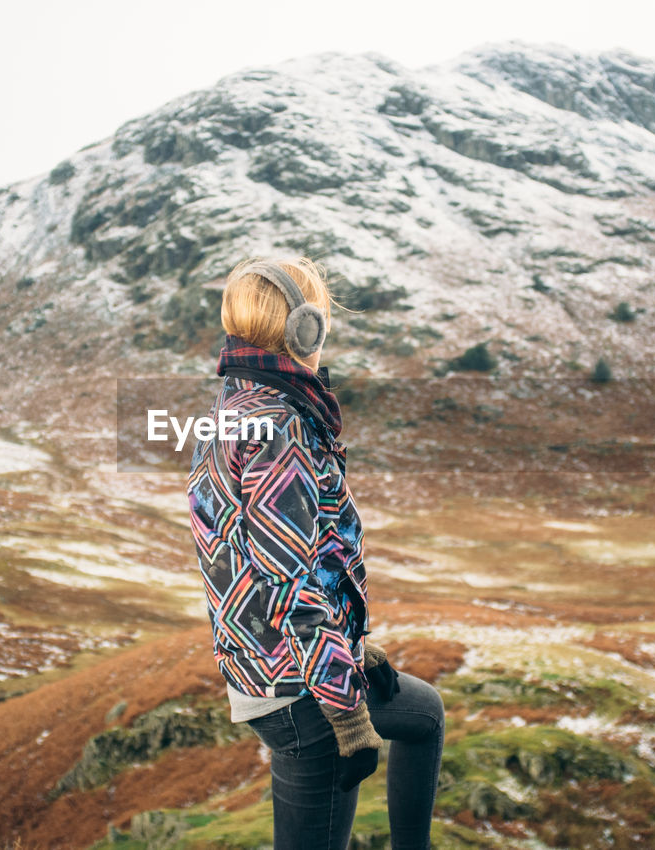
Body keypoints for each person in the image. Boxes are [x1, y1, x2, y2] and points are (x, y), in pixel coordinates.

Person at [186, 256, 445, 850]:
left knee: (422, 713)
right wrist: (345, 707)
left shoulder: (236, 407)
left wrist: (348, 639)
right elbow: (289, 582)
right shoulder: (280, 427)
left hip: (269, 670)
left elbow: (253, 555)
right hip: (303, 695)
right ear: (305, 330)